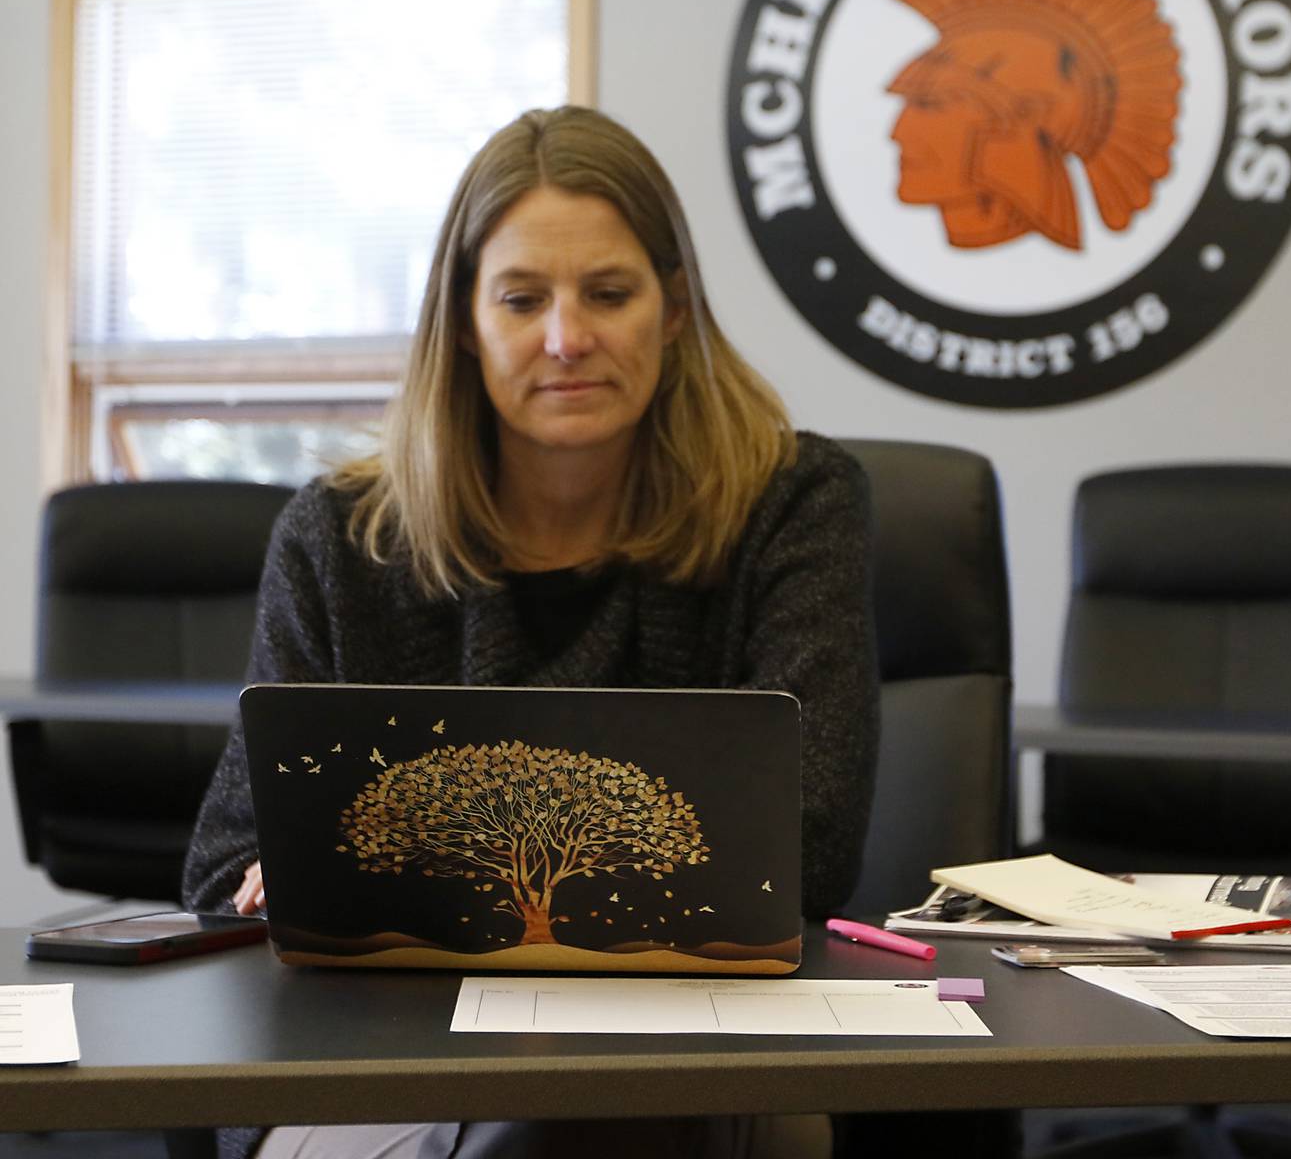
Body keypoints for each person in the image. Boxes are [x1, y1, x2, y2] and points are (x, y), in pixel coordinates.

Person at [182, 105, 880, 1159]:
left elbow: (806, 847)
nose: (568, 339)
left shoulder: (791, 503)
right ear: (463, 320)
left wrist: (397, 877)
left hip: (702, 1052)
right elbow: (227, 863)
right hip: (384, 1056)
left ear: (675, 310)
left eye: (609, 294)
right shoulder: (339, 537)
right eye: (521, 298)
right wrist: (276, 880)